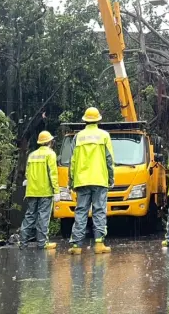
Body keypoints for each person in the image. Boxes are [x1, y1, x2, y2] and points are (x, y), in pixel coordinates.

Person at [68, 107, 114, 255]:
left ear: (85, 120)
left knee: (81, 211)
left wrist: (71, 180)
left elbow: (73, 161)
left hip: (82, 180)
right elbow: (109, 159)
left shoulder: (78, 137)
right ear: (98, 120)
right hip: (99, 179)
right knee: (99, 210)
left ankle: (76, 246)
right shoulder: (104, 136)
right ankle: (99, 244)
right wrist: (111, 178)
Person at [19, 130, 60, 250]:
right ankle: (42, 243)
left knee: (30, 216)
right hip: (45, 191)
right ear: (49, 142)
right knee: (43, 217)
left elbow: (27, 173)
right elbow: (53, 174)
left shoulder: (32, 155)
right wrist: (56, 191)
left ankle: (23, 243)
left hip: (31, 191)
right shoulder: (50, 154)